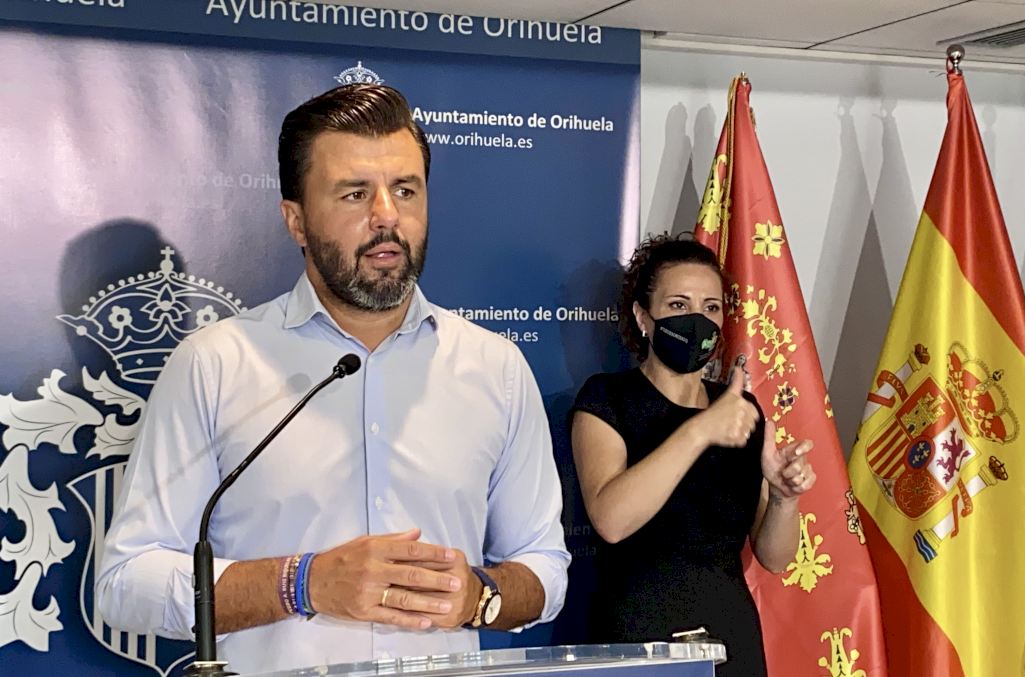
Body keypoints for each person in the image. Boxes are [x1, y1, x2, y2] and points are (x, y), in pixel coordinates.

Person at [96, 84, 569, 674]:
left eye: (405, 190)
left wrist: (480, 597)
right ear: (296, 220)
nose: (387, 216)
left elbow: (544, 568)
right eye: (354, 193)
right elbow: (126, 583)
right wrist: (303, 584)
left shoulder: (495, 367)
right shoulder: (215, 364)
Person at [570, 234, 817, 677]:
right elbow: (611, 519)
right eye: (678, 305)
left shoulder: (739, 409)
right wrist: (700, 430)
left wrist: (784, 497)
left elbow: (776, 558)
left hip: (730, 641)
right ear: (643, 317)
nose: (697, 320)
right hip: (638, 641)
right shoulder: (607, 399)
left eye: (711, 307)